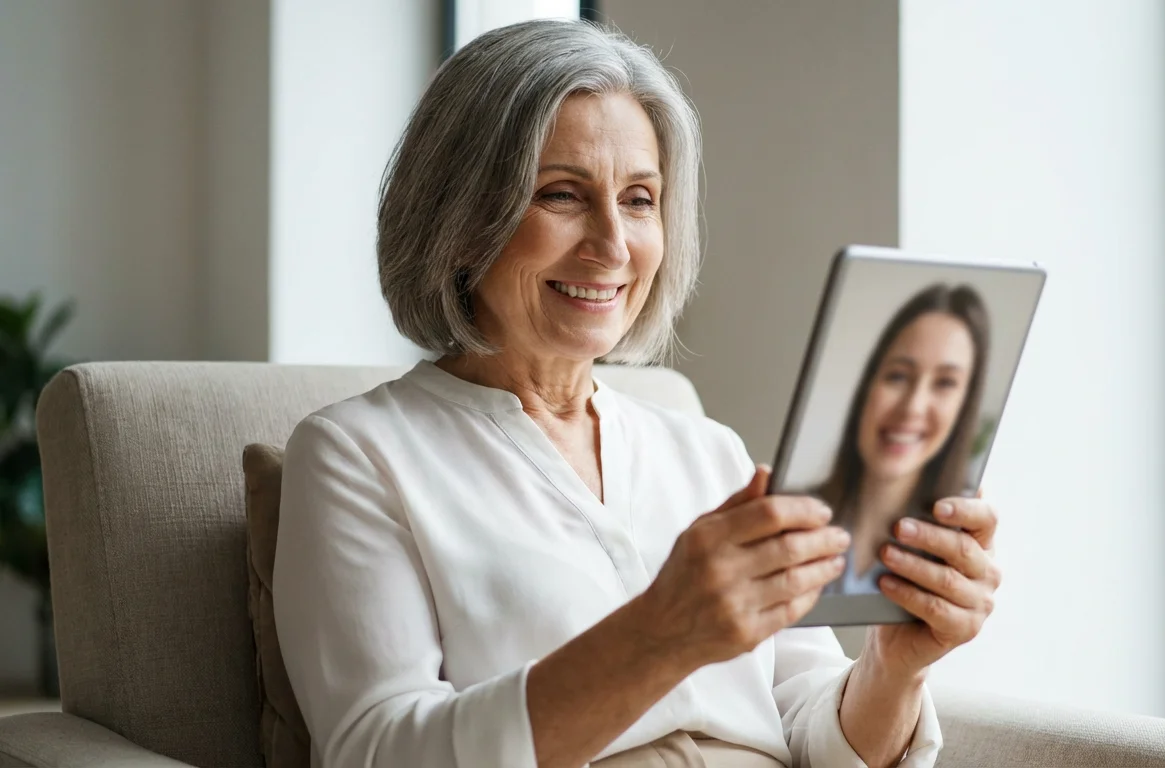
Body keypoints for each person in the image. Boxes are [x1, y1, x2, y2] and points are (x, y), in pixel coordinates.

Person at [273, 19, 1001, 768]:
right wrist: (662, 633)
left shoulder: (707, 452)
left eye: (641, 199)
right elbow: (379, 752)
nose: (614, 246)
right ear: (458, 222)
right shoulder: (358, 455)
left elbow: (808, 731)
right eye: (562, 195)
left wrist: (895, 664)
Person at [817, 284, 991, 596]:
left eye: (945, 383)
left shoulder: (957, 556)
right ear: (867, 385)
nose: (912, 406)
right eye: (898, 376)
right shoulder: (800, 525)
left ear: (965, 406)